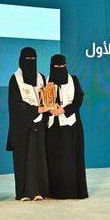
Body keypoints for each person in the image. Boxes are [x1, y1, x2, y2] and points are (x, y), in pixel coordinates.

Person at [6, 47, 50, 201]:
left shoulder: (41, 78)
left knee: (39, 159)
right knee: (23, 159)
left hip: (39, 125)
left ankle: (39, 190)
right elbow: (15, 104)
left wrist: (49, 102)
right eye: (28, 60)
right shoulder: (15, 79)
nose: (31, 63)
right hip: (22, 127)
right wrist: (35, 110)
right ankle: (24, 192)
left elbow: (46, 100)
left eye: (33, 59)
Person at [46, 54, 88, 199]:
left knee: (70, 158)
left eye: (62, 66)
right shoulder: (47, 82)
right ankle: (55, 191)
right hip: (53, 128)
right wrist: (50, 109)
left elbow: (78, 100)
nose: (60, 69)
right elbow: (44, 102)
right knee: (55, 159)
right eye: (57, 67)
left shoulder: (73, 80)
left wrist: (63, 110)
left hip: (71, 127)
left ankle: (72, 191)